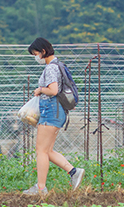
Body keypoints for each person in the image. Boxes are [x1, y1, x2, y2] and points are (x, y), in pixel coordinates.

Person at [22, 38, 84, 195]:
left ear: (43, 52)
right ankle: (74, 172)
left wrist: (40, 89)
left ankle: (41, 188)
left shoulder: (51, 68)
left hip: (51, 110)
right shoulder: (59, 65)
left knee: (41, 151)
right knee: (47, 150)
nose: (35, 57)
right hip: (57, 112)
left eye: (36, 54)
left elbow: (53, 90)